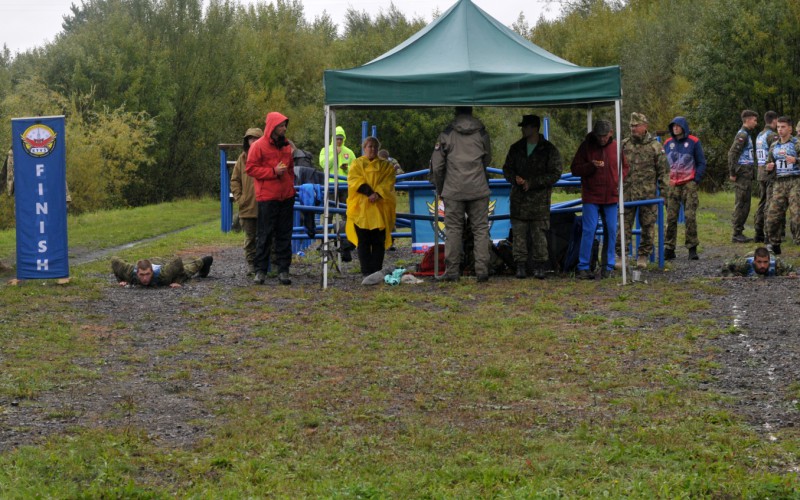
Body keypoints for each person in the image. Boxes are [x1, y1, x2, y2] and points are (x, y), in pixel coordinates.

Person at [430, 106, 493, 282]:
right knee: (480, 229)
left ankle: (452, 272)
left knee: (453, 230)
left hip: (453, 189)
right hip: (479, 188)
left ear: (456, 113)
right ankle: (482, 271)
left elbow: (438, 166)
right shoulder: (481, 133)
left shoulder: (446, 134)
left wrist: (441, 188)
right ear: (471, 112)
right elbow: (487, 159)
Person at [501, 114, 563, 279]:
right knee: (519, 235)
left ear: (534, 128)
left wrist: (533, 182)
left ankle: (540, 266)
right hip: (519, 200)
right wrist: (514, 178)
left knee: (539, 236)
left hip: (539, 201)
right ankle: (520, 266)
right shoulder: (516, 148)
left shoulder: (548, 149)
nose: (523, 129)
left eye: (526, 126)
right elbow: (507, 169)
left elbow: (556, 172)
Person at [570, 120, 629, 279]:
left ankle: (607, 266)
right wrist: (591, 166)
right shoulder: (586, 146)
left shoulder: (617, 147)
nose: (602, 139)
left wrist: (618, 181)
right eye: (599, 136)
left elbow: (625, 167)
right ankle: (583, 266)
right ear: (595, 135)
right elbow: (575, 168)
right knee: (589, 230)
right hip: (591, 195)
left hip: (611, 195)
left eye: (605, 135)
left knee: (611, 229)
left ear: (611, 133)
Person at [246, 112, 296, 285]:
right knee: (264, 235)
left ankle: (284, 270)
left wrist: (290, 186)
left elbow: (290, 169)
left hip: (286, 196)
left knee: (284, 235)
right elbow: (251, 169)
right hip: (267, 197)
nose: (284, 128)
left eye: (285, 125)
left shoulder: (287, 146)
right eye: (282, 125)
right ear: (273, 126)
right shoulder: (258, 146)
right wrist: (273, 172)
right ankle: (260, 271)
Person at [615, 112, 669, 269]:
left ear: (645, 126)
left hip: (647, 195)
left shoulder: (655, 146)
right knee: (623, 226)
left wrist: (665, 194)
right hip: (627, 194)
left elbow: (664, 172)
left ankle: (643, 256)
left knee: (648, 226)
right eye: (631, 126)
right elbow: (615, 168)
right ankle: (621, 255)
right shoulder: (624, 145)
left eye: (636, 126)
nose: (633, 129)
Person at [345, 136, 397, 276]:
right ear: (364, 148)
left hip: (380, 208)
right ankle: (366, 272)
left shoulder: (386, 166)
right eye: (369, 146)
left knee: (378, 241)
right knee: (363, 241)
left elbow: (388, 182)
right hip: (361, 208)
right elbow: (354, 180)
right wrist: (369, 193)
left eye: (375, 146)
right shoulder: (357, 163)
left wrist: (378, 194)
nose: (372, 149)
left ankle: (376, 270)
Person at [664, 116, 707, 261]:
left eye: (678, 125)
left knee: (690, 216)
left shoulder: (694, 142)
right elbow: (663, 164)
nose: (675, 128)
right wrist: (665, 182)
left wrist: (696, 180)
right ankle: (669, 248)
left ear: (683, 127)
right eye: (673, 126)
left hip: (689, 183)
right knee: (670, 217)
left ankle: (692, 248)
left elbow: (701, 162)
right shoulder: (667, 143)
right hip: (673, 185)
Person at [764, 116, 800, 256]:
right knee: (772, 215)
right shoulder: (774, 145)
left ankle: (798, 241)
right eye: (778, 127)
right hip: (779, 183)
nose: (780, 130)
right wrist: (769, 167)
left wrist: (796, 160)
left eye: (783, 127)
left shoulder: (796, 143)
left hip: (795, 181)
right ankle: (774, 243)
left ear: (790, 128)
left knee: (796, 215)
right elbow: (768, 163)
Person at [230, 127, 263, 275]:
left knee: (267, 237)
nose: (253, 141)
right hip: (247, 206)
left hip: (265, 205)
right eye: (250, 138)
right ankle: (251, 265)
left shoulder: (266, 156)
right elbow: (235, 180)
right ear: (247, 141)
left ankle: (265, 266)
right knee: (250, 238)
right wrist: (240, 198)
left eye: (256, 138)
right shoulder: (242, 159)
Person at [728, 110, 758, 243]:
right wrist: (732, 172)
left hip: (747, 173)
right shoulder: (742, 135)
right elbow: (732, 154)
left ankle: (739, 231)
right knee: (741, 203)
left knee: (745, 203)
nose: (756, 123)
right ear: (747, 120)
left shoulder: (746, 134)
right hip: (742, 173)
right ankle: (736, 233)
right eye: (754, 120)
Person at [111, 255, 213, 288]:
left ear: (152, 272)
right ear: (137, 273)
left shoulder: (163, 275)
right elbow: (114, 261)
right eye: (142, 275)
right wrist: (121, 280)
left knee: (188, 270)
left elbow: (177, 261)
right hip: (152, 261)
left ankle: (204, 261)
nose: (145, 278)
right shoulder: (130, 273)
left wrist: (178, 281)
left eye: (147, 274)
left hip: (163, 267)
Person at [754, 111, 778, 243]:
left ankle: (758, 232)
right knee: (769, 203)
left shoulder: (760, 134)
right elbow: (776, 152)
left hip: (760, 171)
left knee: (762, 202)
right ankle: (768, 234)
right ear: (774, 121)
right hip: (769, 173)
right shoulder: (772, 135)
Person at [721, 246, 795, 277]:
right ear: (754, 261)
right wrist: (732, 276)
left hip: (770, 254)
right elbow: (725, 266)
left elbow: (791, 269)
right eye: (759, 262)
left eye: (765, 262)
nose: (762, 265)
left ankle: (768, 248)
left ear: (769, 261)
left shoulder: (777, 262)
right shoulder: (744, 264)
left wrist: (791, 273)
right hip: (750, 255)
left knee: (770, 252)